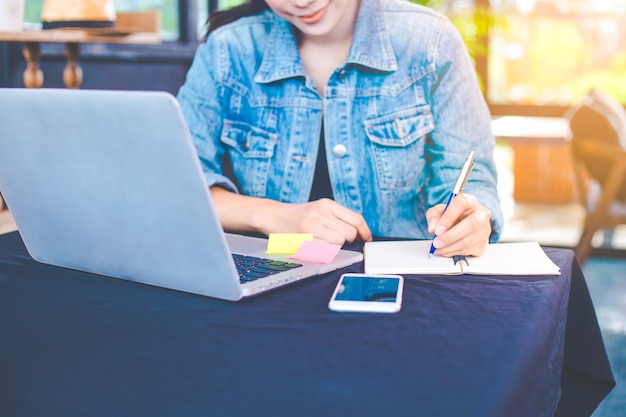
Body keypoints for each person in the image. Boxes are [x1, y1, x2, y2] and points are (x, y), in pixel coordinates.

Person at [176, 0, 503, 257]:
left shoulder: (430, 41)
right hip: (273, 280)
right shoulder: (227, 48)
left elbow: (469, 180)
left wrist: (471, 220)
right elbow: (178, 186)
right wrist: (276, 216)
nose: (301, 1)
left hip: (407, 283)